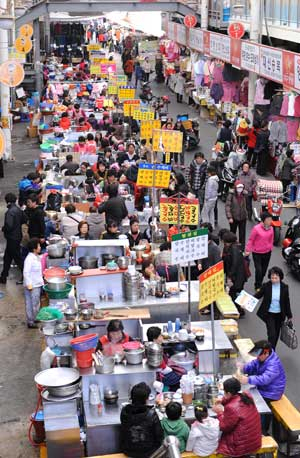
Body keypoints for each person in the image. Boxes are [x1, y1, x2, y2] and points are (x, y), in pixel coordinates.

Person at [238, 340, 286, 434]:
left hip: (272, 393)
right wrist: (243, 367)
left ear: (266, 353)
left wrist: (248, 380)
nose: (257, 357)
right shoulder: (262, 358)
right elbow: (254, 364)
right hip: (264, 388)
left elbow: (265, 379)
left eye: (259, 355)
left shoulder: (273, 364)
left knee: (258, 404)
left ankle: (262, 430)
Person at [213, 377, 262, 457]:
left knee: (216, 437)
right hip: (254, 438)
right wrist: (223, 400)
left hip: (243, 445)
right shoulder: (247, 395)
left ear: (228, 393)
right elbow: (233, 399)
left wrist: (219, 412)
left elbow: (224, 427)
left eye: (224, 392)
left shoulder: (232, 408)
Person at [120, 382, 163, 458]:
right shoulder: (151, 414)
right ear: (146, 399)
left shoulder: (124, 411)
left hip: (128, 450)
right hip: (148, 452)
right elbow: (159, 436)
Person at [255, 267, 293, 348]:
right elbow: (257, 296)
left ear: (280, 277)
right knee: (271, 334)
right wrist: (244, 301)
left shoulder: (284, 287)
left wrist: (289, 316)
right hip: (269, 314)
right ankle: (270, 352)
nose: (274, 280)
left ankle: (272, 351)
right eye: (272, 277)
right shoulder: (266, 286)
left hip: (279, 315)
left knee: (275, 336)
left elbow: (286, 302)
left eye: (276, 278)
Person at [0, 193, 26, 284]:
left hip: (12, 238)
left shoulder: (10, 212)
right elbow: (24, 220)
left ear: (7, 201)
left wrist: (3, 228)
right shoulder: (18, 210)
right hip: (17, 236)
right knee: (7, 257)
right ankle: (3, 276)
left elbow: (9, 226)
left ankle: (27, 274)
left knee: (17, 258)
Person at [146, 327, 184, 391]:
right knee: (182, 376)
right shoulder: (155, 350)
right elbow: (164, 369)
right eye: (160, 336)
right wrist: (172, 369)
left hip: (158, 372)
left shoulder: (149, 346)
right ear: (155, 339)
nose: (162, 338)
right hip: (159, 376)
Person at [245, 212, 274, 291]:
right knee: (259, 270)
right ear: (263, 220)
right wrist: (248, 250)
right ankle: (257, 286)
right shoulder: (256, 229)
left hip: (267, 252)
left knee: (264, 270)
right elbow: (251, 240)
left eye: (270, 219)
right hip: (257, 253)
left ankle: (260, 282)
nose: (270, 221)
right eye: (268, 219)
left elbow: (271, 239)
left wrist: (270, 247)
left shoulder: (271, 228)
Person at [222, 232, 249, 316]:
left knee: (234, 292)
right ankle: (242, 307)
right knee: (238, 291)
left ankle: (240, 309)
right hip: (239, 275)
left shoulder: (234, 249)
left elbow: (234, 264)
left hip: (237, 276)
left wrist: (230, 276)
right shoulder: (235, 247)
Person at [23, 238, 44, 328]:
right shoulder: (29, 259)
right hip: (32, 285)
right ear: (34, 248)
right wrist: (29, 284)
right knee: (32, 303)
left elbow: (41, 258)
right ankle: (31, 322)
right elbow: (26, 272)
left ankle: (34, 318)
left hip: (36, 284)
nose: (40, 247)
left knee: (34, 303)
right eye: (38, 245)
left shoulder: (35, 257)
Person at [225, 180, 248, 250]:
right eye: (238, 187)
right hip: (234, 218)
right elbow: (227, 206)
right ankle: (231, 248)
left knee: (242, 235)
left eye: (241, 187)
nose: (240, 189)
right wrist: (229, 217)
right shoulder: (231, 195)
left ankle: (242, 249)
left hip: (243, 217)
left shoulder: (244, 194)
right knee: (232, 234)